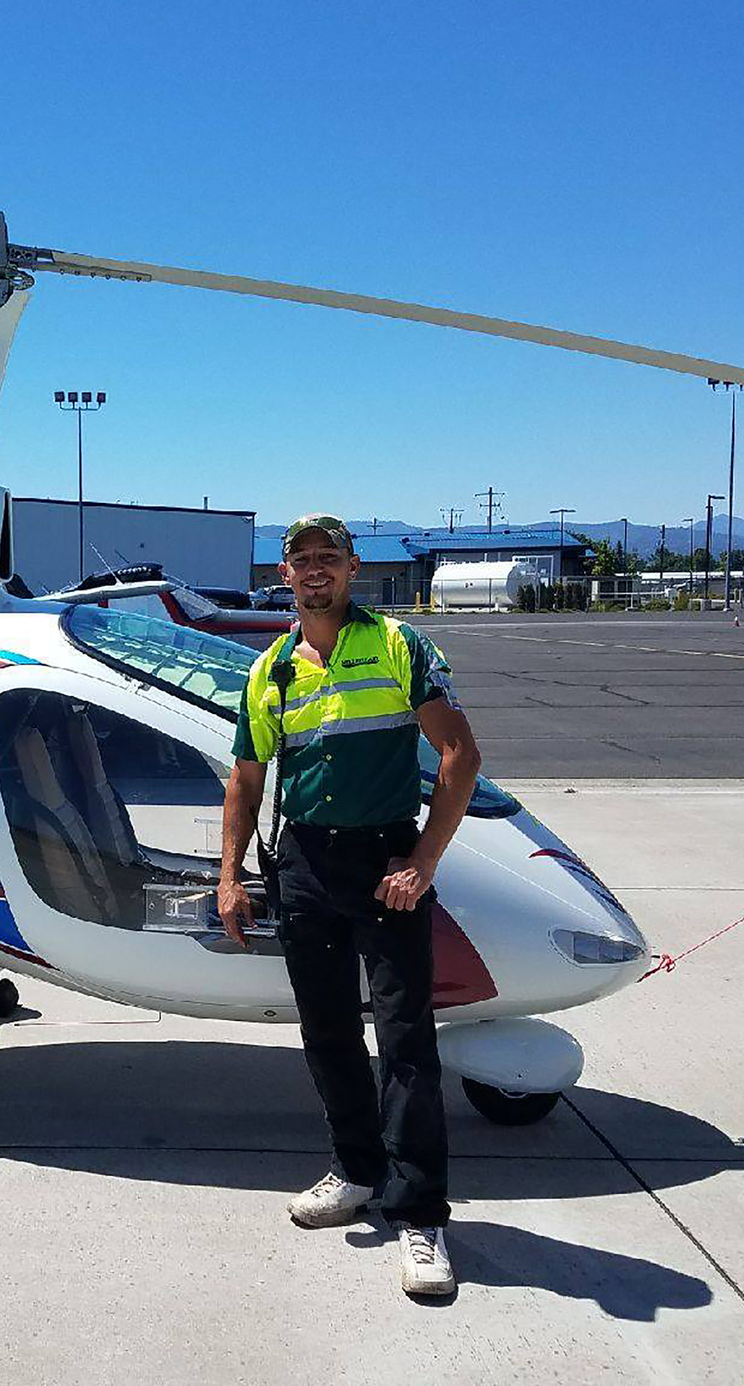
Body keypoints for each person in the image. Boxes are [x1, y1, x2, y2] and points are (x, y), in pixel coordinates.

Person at [218, 513, 480, 1298]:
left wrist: (423, 861)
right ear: (285, 576)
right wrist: (231, 875)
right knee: (328, 1032)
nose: (315, 571)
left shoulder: (400, 646)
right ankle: (358, 1171)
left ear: (353, 567)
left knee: (405, 1040)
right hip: (304, 862)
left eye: (329, 558)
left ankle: (422, 1214)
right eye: (302, 561)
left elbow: (460, 754)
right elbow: (246, 780)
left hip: (384, 859)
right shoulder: (271, 672)